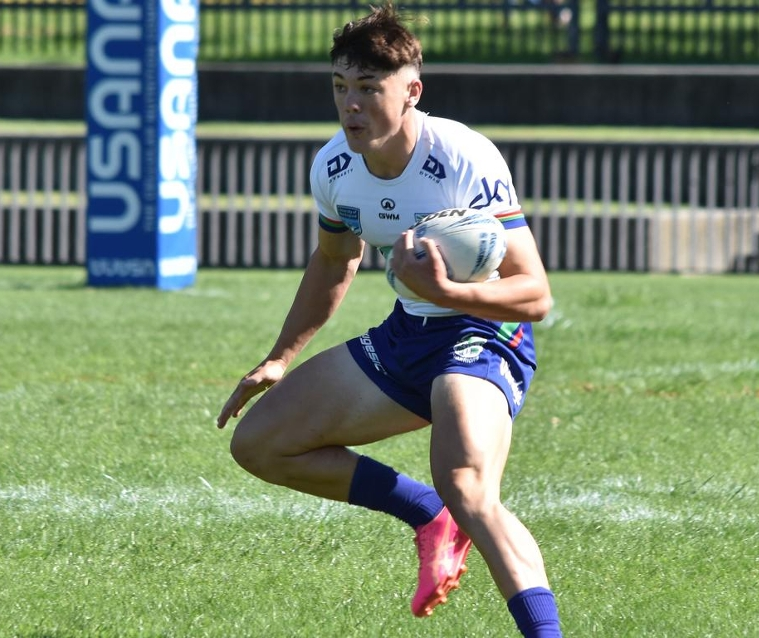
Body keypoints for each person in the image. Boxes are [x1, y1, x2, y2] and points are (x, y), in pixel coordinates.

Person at [216, 4, 562, 636]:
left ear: (412, 92)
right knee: (260, 443)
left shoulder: (462, 156)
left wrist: (446, 290)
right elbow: (334, 261)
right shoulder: (334, 167)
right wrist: (280, 357)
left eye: (370, 88)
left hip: (482, 334)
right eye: (340, 87)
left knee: (468, 486)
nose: (351, 105)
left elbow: (535, 294)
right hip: (409, 333)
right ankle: (428, 514)